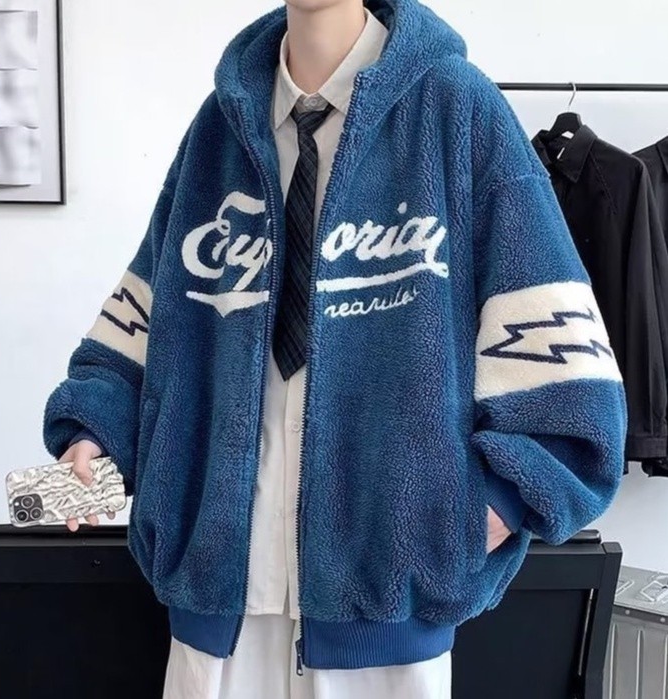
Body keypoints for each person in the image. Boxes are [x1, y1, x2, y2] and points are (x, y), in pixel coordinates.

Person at [42, 0, 628, 697]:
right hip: (215, 602)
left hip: (387, 616)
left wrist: (480, 511)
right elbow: (153, 309)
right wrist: (97, 429)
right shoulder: (220, 128)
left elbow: (562, 358)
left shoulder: (457, 109)